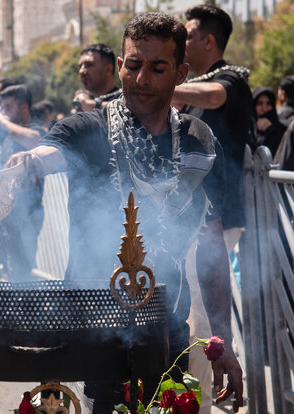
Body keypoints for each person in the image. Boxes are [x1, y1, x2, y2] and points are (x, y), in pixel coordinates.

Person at [7, 12, 242, 412]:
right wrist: (28, 162)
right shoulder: (90, 128)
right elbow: (52, 150)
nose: (142, 79)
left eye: (157, 67)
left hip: (167, 330)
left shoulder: (197, 143)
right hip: (97, 331)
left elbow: (212, 247)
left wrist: (223, 341)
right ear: (120, 67)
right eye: (133, 65)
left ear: (181, 73)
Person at [171, 6, 248, 412]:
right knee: (186, 323)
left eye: (186, 35)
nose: (180, 42)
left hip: (217, 223)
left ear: (208, 41)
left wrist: (161, 87)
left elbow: (214, 95)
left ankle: (194, 405)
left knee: (200, 326)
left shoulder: (231, 79)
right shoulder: (191, 86)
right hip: (190, 223)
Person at [0, 84, 45, 281]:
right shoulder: (7, 136)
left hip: (28, 215)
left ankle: (28, 310)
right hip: (6, 213)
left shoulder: (34, 129)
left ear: (24, 107)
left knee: (24, 270)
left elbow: (35, 140)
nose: (3, 112)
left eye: (8, 107)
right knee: (8, 268)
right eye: (2, 107)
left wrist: (3, 122)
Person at [73, 43, 122, 112]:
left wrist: (94, 105)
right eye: (80, 66)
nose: (81, 71)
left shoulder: (126, 98)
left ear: (108, 70)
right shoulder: (83, 99)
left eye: (89, 65)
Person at [253, 86, 287, 155]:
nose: (264, 108)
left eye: (268, 103)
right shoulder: (247, 129)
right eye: (260, 103)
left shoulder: (282, 130)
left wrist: (270, 130)